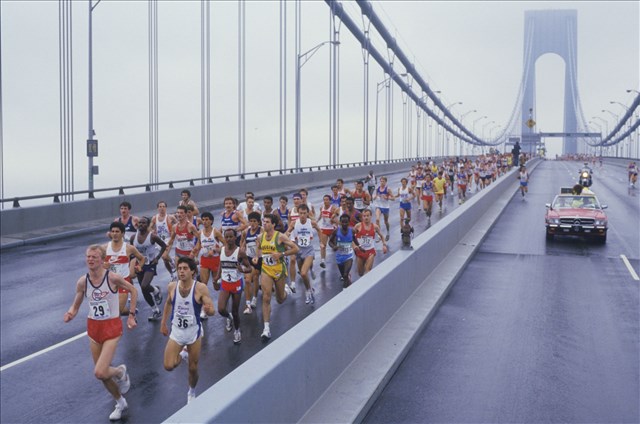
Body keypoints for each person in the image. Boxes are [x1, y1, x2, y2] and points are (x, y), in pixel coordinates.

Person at [63, 244, 138, 421]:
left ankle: (120, 371)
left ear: (102, 259)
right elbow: (76, 303)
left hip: (111, 327)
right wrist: (71, 313)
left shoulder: (112, 278)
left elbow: (133, 290)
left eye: (94, 257)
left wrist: (132, 315)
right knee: (102, 375)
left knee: (99, 371)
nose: (90, 259)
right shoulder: (83, 281)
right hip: (93, 329)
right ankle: (120, 402)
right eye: (88, 256)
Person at [161, 257, 215, 405]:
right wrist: (163, 323)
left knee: (193, 368)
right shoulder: (172, 286)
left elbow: (212, 311)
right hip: (177, 331)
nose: (181, 271)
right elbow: (167, 304)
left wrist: (209, 310)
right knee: (168, 366)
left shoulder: (200, 288)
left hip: (193, 333)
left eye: (185, 268)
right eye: (179, 269)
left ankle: (191, 391)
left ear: (192, 271)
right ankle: (183, 354)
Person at [253, 214, 299, 341]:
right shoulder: (260, 237)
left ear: (273, 224)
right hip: (266, 270)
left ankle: (285, 291)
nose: (264, 224)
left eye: (267, 222)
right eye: (264, 221)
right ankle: (266, 329)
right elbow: (258, 247)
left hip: (279, 270)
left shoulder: (280, 236)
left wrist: (281, 254)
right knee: (266, 297)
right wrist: (257, 257)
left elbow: (296, 248)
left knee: (280, 299)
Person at [215, 228, 252, 344]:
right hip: (225, 283)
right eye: (227, 237)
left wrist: (243, 270)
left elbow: (250, 268)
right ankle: (228, 317)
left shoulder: (240, 252)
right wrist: (217, 276)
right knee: (221, 309)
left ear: (235, 238)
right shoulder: (221, 250)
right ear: (224, 238)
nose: (229, 239)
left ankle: (237, 330)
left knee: (235, 311)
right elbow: (221, 264)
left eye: (231, 237)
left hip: (236, 284)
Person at [105, 222, 146, 315]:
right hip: (109, 282)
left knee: (116, 312)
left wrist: (139, 266)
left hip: (123, 282)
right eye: (113, 231)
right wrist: (103, 265)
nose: (114, 234)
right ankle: (131, 312)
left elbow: (142, 258)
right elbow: (98, 264)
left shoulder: (129, 248)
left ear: (123, 233)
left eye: (117, 231)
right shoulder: (104, 248)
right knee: (113, 310)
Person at [131, 216, 167, 321]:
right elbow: (131, 251)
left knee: (144, 285)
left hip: (150, 264)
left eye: (143, 223)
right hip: (139, 265)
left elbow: (164, 246)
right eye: (140, 223)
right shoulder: (134, 237)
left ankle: (155, 290)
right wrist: (132, 264)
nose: (141, 225)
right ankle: (155, 310)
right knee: (144, 289)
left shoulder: (153, 237)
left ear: (148, 225)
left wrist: (157, 258)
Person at [191, 212, 224, 320]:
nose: (204, 221)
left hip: (215, 260)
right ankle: (203, 310)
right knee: (203, 285)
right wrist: (194, 252)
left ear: (211, 221)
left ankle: (225, 290)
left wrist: (215, 249)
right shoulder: (200, 232)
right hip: (204, 260)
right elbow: (199, 244)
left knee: (216, 285)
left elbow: (225, 245)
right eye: (203, 219)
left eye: (207, 219)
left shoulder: (216, 232)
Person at [287, 204, 322, 304]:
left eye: (304, 213)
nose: (302, 215)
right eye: (300, 213)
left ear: (307, 213)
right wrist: (286, 236)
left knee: (303, 272)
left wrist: (321, 243)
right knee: (303, 275)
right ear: (298, 213)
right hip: (298, 250)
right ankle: (310, 288)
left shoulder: (312, 223)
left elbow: (319, 231)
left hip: (309, 251)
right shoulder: (294, 223)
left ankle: (307, 292)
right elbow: (287, 233)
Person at [353, 209, 387, 277]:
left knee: (368, 270)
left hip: (370, 251)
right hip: (360, 252)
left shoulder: (375, 227)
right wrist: (354, 246)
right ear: (362, 217)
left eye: (368, 216)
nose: (366, 217)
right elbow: (352, 237)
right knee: (360, 273)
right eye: (364, 216)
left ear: (371, 216)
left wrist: (384, 245)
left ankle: (367, 284)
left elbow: (382, 236)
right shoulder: (358, 226)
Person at [240, 211, 262, 314]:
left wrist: (257, 256)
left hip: (259, 259)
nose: (252, 223)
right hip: (249, 258)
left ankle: (255, 297)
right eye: (251, 221)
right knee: (248, 280)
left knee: (256, 277)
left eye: (254, 221)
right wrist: (241, 251)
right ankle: (248, 304)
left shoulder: (262, 231)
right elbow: (243, 243)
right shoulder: (245, 232)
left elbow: (261, 245)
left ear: (258, 222)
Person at [329, 214, 357, 288]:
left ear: (349, 222)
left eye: (346, 222)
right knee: (344, 276)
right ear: (340, 223)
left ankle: (345, 290)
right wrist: (334, 246)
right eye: (343, 222)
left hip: (349, 256)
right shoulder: (336, 231)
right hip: (339, 257)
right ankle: (348, 283)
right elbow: (330, 242)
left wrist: (359, 247)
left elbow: (354, 239)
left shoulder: (352, 230)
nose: (344, 224)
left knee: (345, 274)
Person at [151, 200, 177, 279]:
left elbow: (178, 225)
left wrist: (174, 231)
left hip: (168, 239)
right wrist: (152, 231)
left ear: (166, 208)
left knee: (164, 256)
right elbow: (150, 228)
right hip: (159, 241)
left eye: (163, 207)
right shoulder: (155, 218)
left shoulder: (170, 217)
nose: (162, 208)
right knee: (165, 260)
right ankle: (172, 275)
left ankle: (172, 262)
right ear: (157, 208)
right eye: (160, 207)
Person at [318, 194, 338, 269]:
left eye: (327, 200)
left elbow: (336, 218)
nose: (325, 201)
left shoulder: (333, 208)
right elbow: (321, 215)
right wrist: (317, 221)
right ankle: (323, 261)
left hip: (332, 229)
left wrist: (336, 225)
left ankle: (339, 259)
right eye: (324, 200)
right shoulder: (321, 208)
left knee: (335, 245)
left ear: (330, 201)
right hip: (324, 228)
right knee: (323, 245)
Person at [373, 176, 394, 241]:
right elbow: (374, 195)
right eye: (381, 181)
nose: (382, 183)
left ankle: (388, 232)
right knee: (377, 220)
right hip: (378, 206)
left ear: (385, 182)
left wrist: (387, 198)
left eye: (383, 181)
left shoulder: (388, 189)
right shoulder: (377, 188)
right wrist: (374, 197)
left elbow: (393, 198)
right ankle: (379, 235)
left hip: (385, 207)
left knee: (386, 221)